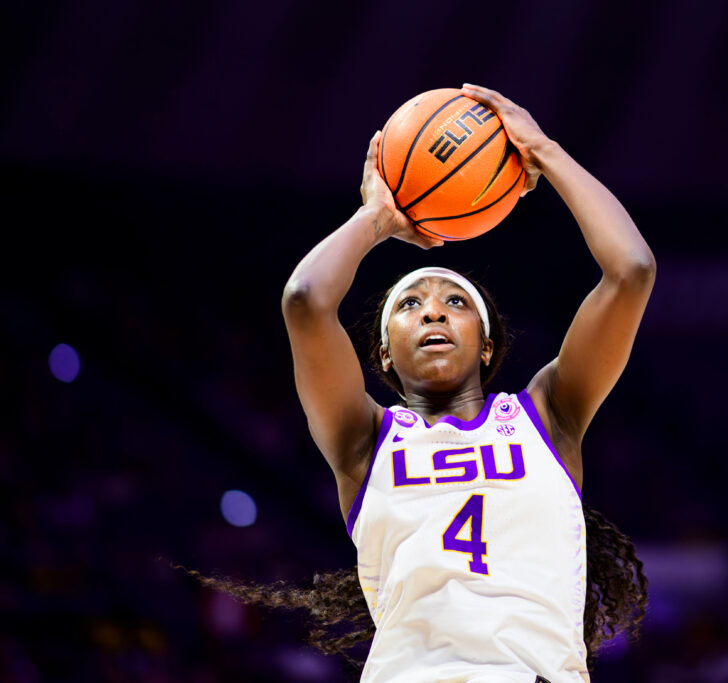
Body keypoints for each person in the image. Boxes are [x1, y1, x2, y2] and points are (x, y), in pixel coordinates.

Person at [191, 84, 655, 682]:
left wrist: (544, 151)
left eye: (454, 301)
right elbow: (305, 300)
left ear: (486, 344)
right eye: (410, 304)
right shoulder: (364, 442)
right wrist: (377, 219)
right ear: (383, 356)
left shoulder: (549, 417)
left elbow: (631, 271)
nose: (432, 311)